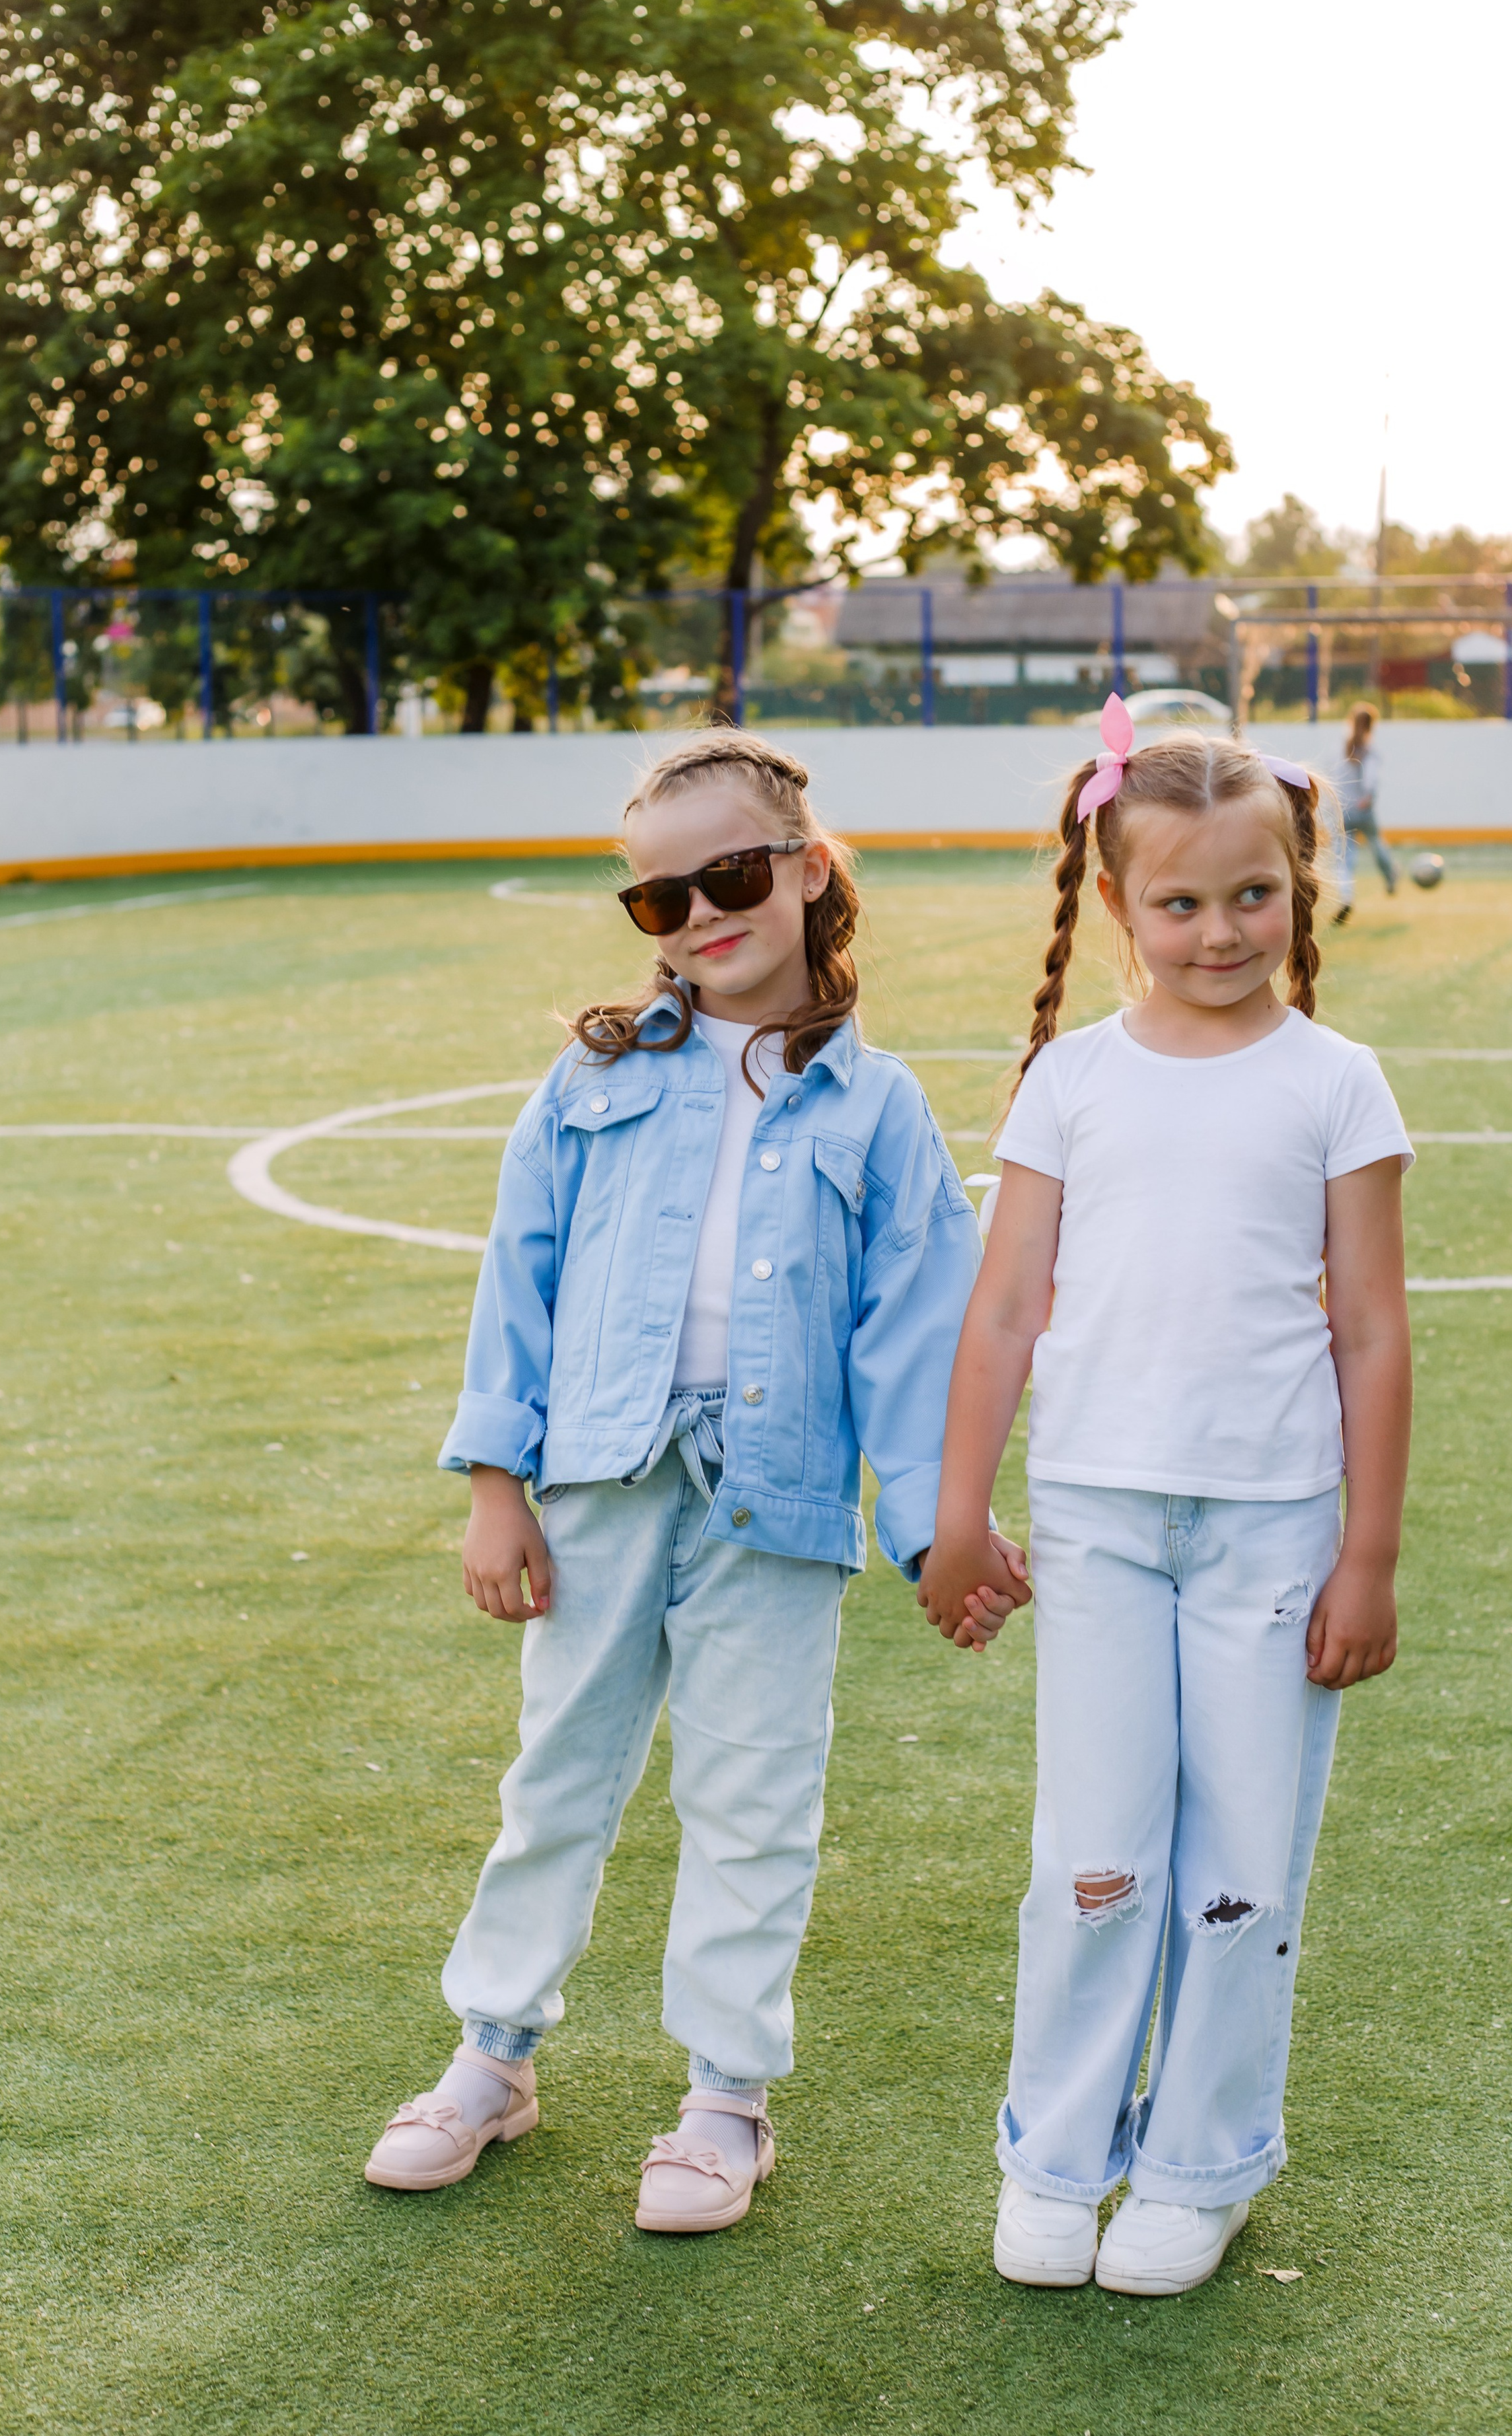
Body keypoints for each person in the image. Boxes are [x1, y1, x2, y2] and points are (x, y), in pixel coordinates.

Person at [365, 731, 1025, 2232]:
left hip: (776, 1502)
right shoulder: (590, 1081)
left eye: (727, 876)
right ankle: (493, 2056)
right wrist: (495, 1477)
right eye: (657, 899)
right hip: (599, 1478)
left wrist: (942, 1527)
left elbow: (921, 1337)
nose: (698, 915)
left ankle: (724, 2096)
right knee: (556, 1779)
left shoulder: (876, 1109)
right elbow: (516, 1279)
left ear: (805, 873)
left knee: (750, 1795)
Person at [918, 697, 1413, 2299]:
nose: (1219, 928)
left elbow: (1370, 1329)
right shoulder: (1067, 1080)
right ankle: (1056, 2159)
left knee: (1240, 1866)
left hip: (1274, 1533)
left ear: (1297, 883)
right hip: (1097, 1529)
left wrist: (1366, 1555)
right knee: (1093, 1849)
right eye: (1180, 900)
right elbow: (1000, 1313)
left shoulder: (1337, 1082)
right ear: (1118, 902)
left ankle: (1196, 2167)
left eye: (1250, 893)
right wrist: (955, 1510)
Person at [1335, 701, 1397, 918]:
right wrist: (1368, 796)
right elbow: (1371, 778)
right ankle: (1391, 876)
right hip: (1363, 808)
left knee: (1344, 857)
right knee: (1376, 841)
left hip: (1345, 809)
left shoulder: (1344, 747)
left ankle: (1346, 896)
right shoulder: (1371, 751)